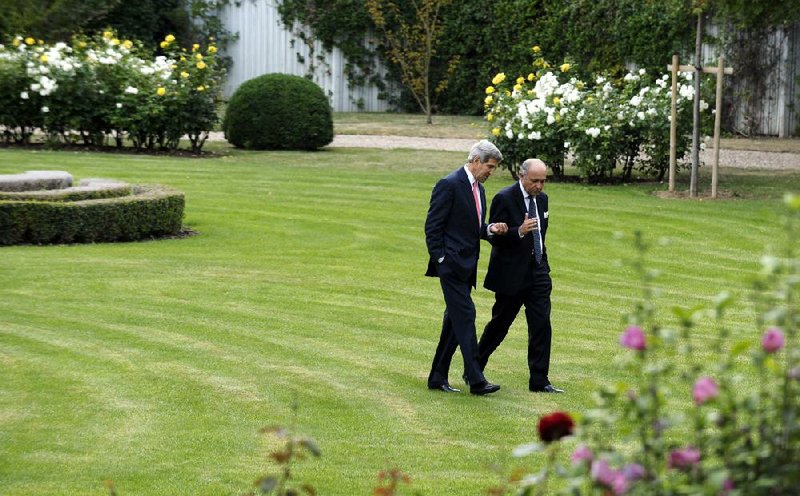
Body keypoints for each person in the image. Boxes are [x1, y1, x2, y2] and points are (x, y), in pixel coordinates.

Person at [425, 140, 508, 395]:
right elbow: (433, 226)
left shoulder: (479, 190)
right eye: (490, 167)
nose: (491, 172)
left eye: (494, 168)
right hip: (451, 266)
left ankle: (437, 377)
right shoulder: (449, 184)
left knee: (454, 321)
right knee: (466, 315)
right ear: (475, 161)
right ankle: (475, 379)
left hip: (467, 267)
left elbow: (474, 229)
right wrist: (441, 260)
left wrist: (491, 229)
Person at [478, 158, 564, 393]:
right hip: (511, 275)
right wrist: (519, 231)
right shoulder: (504, 198)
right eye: (534, 181)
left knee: (541, 325)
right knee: (500, 325)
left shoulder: (543, 200)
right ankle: (474, 369)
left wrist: (543, 265)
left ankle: (539, 380)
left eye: (543, 181)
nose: (539, 186)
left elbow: (541, 237)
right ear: (521, 176)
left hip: (538, 272)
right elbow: (493, 237)